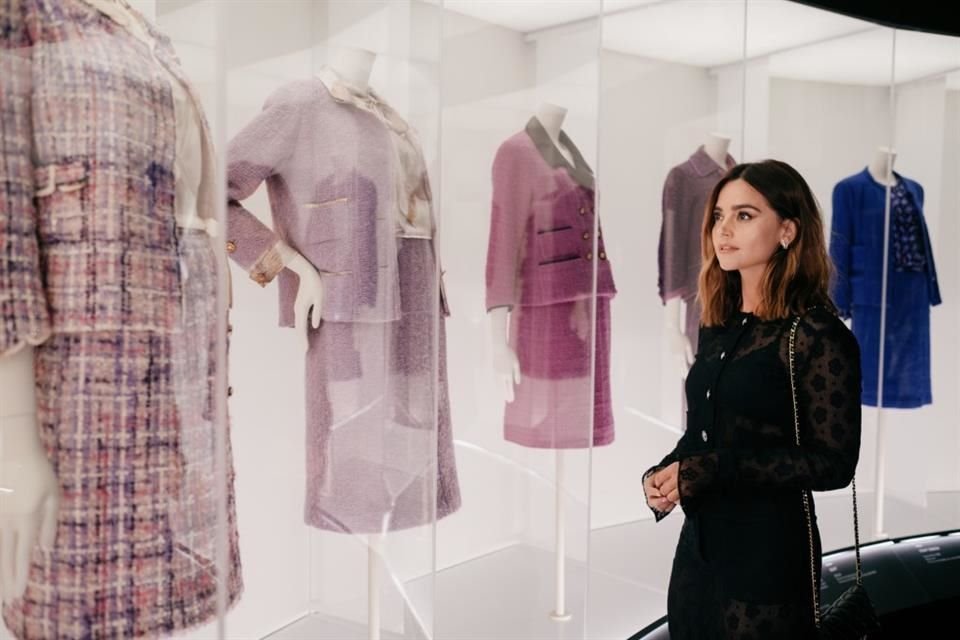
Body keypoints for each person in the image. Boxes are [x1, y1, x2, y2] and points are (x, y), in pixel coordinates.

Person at [642, 160, 862, 639]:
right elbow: (707, 429)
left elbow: (834, 464)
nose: (724, 229)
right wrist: (671, 469)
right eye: (719, 216)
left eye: (744, 215)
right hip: (699, 554)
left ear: (787, 229)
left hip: (768, 559)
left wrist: (716, 468)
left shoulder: (817, 335)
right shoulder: (716, 323)